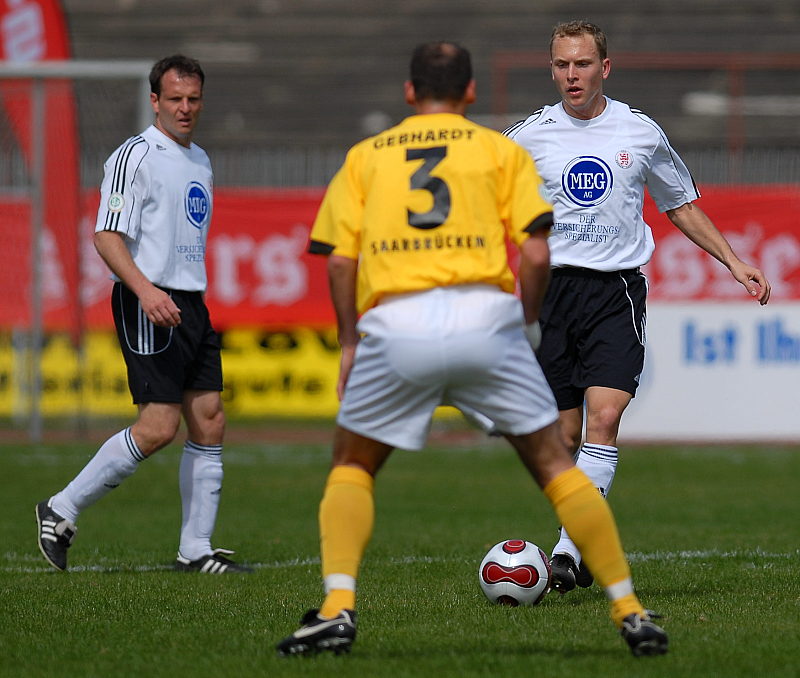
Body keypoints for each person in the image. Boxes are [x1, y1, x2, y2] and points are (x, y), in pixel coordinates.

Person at [276, 41, 667, 658]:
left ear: (410, 92)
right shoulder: (496, 149)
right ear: (471, 92)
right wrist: (526, 321)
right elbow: (535, 251)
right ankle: (630, 612)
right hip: (484, 320)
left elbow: (340, 260)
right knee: (556, 464)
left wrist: (350, 339)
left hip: (398, 323)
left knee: (352, 466)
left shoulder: (367, 156)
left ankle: (336, 610)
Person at [503, 20, 771, 593]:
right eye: (561, 65)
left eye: (581, 64)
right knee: (563, 437)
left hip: (615, 292)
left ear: (604, 67)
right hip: (552, 296)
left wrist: (733, 261)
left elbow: (681, 204)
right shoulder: (528, 136)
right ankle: (575, 538)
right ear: (551, 70)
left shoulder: (640, 131)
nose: (571, 75)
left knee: (604, 419)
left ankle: (569, 550)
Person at [35, 55, 250, 574]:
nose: (184, 108)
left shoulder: (199, 159)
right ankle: (60, 508)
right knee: (157, 427)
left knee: (210, 419)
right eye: (174, 99)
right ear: (155, 101)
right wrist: (147, 292)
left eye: (193, 99)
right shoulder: (134, 156)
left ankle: (196, 550)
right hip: (147, 301)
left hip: (190, 303)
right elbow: (106, 237)